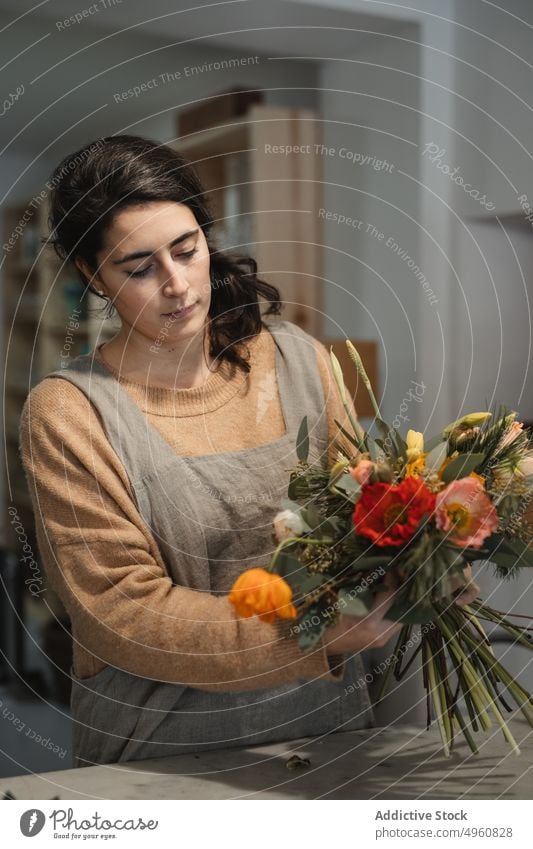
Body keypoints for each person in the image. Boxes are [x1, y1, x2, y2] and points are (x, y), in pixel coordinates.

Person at [19, 134, 477, 769]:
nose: (177, 285)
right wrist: (311, 638)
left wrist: (426, 560)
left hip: (330, 728)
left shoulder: (298, 361)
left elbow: (363, 523)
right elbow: (121, 612)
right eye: (140, 267)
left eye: (187, 250)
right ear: (92, 275)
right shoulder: (70, 412)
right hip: (164, 748)